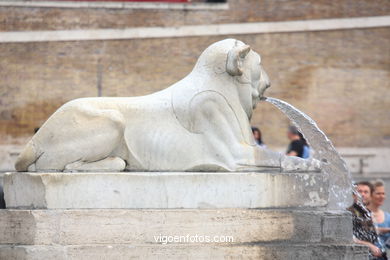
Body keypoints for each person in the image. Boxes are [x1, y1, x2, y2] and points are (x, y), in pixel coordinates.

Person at [347, 181, 386, 259]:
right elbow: (346, 237)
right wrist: (369, 245)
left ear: (371, 196)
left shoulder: (367, 214)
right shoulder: (348, 213)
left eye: (366, 192)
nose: (362, 194)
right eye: (359, 191)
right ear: (354, 195)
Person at [369, 181, 390, 250]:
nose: (382, 196)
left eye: (383, 194)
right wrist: (387, 230)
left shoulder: (387, 216)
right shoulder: (363, 214)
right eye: (378, 193)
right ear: (370, 195)